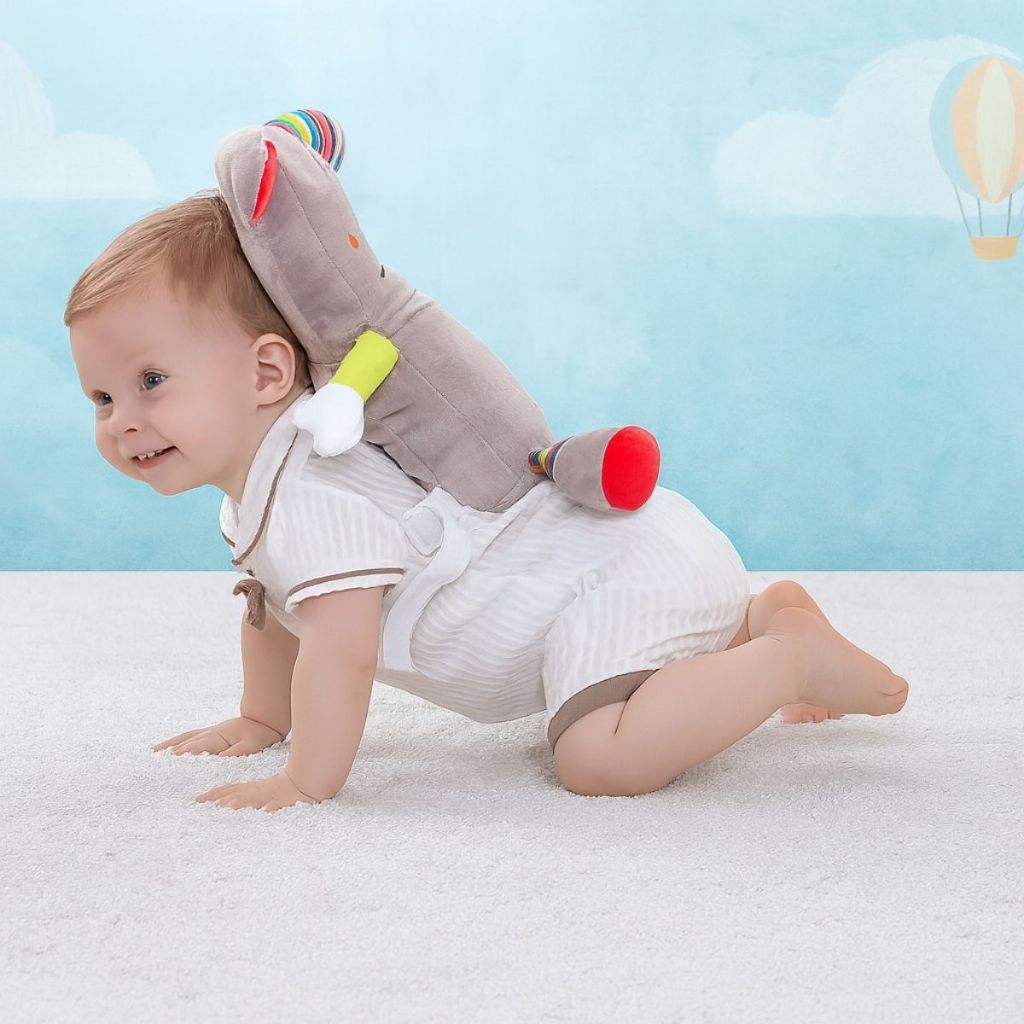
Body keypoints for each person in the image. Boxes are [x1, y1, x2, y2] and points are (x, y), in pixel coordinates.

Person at [65, 192, 910, 812]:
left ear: (266, 372)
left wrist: (305, 780)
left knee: (598, 758)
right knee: (629, 691)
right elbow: (275, 608)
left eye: (151, 381)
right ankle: (756, 617)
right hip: (630, 558)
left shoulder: (312, 491)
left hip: (613, 576)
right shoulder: (271, 482)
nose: (122, 421)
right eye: (102, 398)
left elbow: (341, 647)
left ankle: (784, 661)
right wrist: (262, 718)